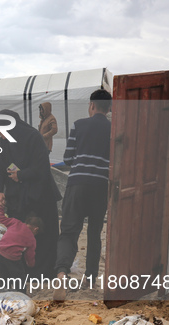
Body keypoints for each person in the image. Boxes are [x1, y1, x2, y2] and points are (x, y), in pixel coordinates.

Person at [53, 89, 112, 301]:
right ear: (109, 108)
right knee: (94, 233)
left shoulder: (79, 125)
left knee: (69, 231)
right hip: (100, 186)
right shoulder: (113, 129)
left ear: (91, 105)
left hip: (77, 184)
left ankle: (61, 273)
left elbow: (68, 158)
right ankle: (90, 279)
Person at [0, 109, 61, 280]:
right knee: (20, 234)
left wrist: (21, 175)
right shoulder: (4, 142)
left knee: (42, 236)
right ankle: (22, 272)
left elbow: (42, 168)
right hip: (18, 197)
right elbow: (1, 168)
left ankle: (43, 274)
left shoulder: (32, 137)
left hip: (40, 196)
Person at [0, 205, 43, 293]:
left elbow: (1, 218)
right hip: (12, 257)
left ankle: (4, 290)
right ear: (36, 229)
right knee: (19, 277)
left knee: (3, 275)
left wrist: (0, 208)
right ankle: (22, 294)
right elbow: (30, 256)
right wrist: (31, 264)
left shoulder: (15, 222)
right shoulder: (31, 239)